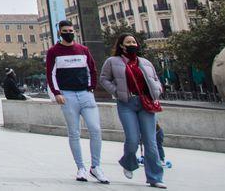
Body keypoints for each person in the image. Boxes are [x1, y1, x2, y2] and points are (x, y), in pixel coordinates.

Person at [99, 34, 165, 188]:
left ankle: (155, 177)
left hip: (146, 103)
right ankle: (128, 163)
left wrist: (158, 89)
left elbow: (155, 79)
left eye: (134, 42)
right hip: (127, 103)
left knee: (151, 142)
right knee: (133, 139)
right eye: (128, 42)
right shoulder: (112, 62)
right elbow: (104, 79)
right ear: (121, 45)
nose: (131, 44)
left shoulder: (145, 63)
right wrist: (117, 92)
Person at [46, 20, 107, 184]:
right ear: (60, 33)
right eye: (65, 30)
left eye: (70, 30)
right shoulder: (53, 51)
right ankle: (81, 167)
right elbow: (50, 73)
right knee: (74, 132)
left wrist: (91, 87)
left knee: (95, 129)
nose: (68, 32)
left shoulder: (83, 50)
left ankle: (96, 166)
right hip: (67, 95)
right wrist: (57, 93)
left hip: (85, 94)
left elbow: (92, 69)